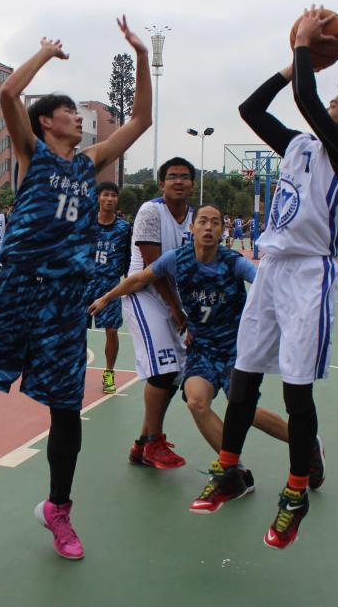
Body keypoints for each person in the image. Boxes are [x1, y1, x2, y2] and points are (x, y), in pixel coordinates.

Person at [0, 17, 151, 561]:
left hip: (65, 301)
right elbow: (6, 94)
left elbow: (141, 119)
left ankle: (58, 509)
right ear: (48, 121)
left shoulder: (89, 165)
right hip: (17, 289)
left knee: (66, 407)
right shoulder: (32, 153)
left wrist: (141, 55)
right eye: (70, 112)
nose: (78, 118)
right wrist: (45, 53)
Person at [202, 6, 338, 549]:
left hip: (309, 274)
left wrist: (305, 44)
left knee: (297, 391)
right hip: (271, 269)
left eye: (336, 103)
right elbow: (250, 109)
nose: (327, 105)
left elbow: (307, 99)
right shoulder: (300, 147)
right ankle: (228, 467)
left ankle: (296, 492)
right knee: (243, 378)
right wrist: (290, 65)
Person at [91, 204, 298, 511]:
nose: (208, 227)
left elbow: (266, 285)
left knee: (246, 412)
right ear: (192, 228)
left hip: (236, 349)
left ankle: (306, 444)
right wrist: (107, 297)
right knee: (196, 400)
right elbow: (138, 279)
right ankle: (234, 472)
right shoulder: (177, 259)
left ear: (222, 230)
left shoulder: (233, 262)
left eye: (215, 222)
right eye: (203, 221)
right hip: (202, 348)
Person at [123, 157, 195, 470]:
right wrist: (176, 309)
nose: (179, 181)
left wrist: (189, 310)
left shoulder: (194, 218)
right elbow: (153, 268)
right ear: (162, 183)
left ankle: (142, 444)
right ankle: (154, 442)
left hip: (174, 299)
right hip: (143, 294)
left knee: (174, 375)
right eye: (172, 176)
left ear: (192, 183)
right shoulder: (151, 211)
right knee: (163, 371)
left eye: (184, 176)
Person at [84, 182, 132, 394]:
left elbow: (129, 258)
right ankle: (73, 372)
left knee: (111, 331)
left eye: (114, 195)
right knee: (77, 330)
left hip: (110, 285)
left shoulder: (124, 228)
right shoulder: (86, 223)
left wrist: (129, 283)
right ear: (98, 197)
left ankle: (109, 372)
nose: (110, 199)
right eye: (106, 195)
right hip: (85, 283)